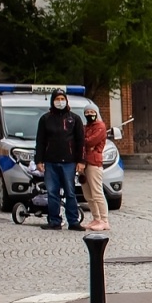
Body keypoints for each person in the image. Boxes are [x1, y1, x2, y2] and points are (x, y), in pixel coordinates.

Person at [34, 90, 85, 232]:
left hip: (69, 162)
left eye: (63, 98)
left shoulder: (74, 119)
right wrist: (39, 160)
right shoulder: (45, 119)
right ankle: (54, 221)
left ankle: (73, 221)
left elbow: (81, 141)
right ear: (53, 101)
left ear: (67, 100)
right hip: (50, 161)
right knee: (52, 192)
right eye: (58, 98)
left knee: (70, 192)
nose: (60, 101)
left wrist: (81, 161)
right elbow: (40, 141)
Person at [79, 104, 109, 232]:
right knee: (88, 194)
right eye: (87, 112)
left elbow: (90, 141)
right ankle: (96, 218)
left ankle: (104, 220)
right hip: (84, 162)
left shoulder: (100, 126)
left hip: (94, 162)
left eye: (92, 111)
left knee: (97, 193)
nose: (89, 114)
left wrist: (85, 143)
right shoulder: (86, 127)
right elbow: (80, 141)